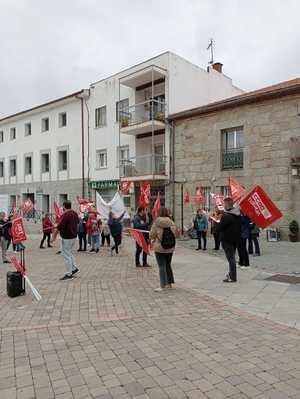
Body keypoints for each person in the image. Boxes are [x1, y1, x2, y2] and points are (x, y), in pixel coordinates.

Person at [150, 207, 177, 292]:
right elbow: (176, 234)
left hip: (160, 248)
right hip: (170, 247)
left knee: (162, 266)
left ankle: (162, 285)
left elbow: (151, 235)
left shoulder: (156, 223)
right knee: (168, 265)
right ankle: (169, 283)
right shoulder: (172, 222)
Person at [218, 197, 241, 283]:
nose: (223, 205)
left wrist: (217, 220)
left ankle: (232, 277)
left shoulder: (226, 216)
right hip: (234, 240)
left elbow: (220, 227)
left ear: (227, 204)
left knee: (231, 259)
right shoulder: (237, 214)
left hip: (227, 240)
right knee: (232, 257)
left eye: (224, 204)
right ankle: (231, 274)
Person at [57, 200, 80, 280]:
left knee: (66, 255)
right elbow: (78, 221)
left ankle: (69, 273)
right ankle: (74, 268)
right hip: (73, 236)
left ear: (64, 206)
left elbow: (61, 225)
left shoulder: (66, 215)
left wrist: (57, 226)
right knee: (69, 253)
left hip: (67, 237)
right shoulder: (74, 213)